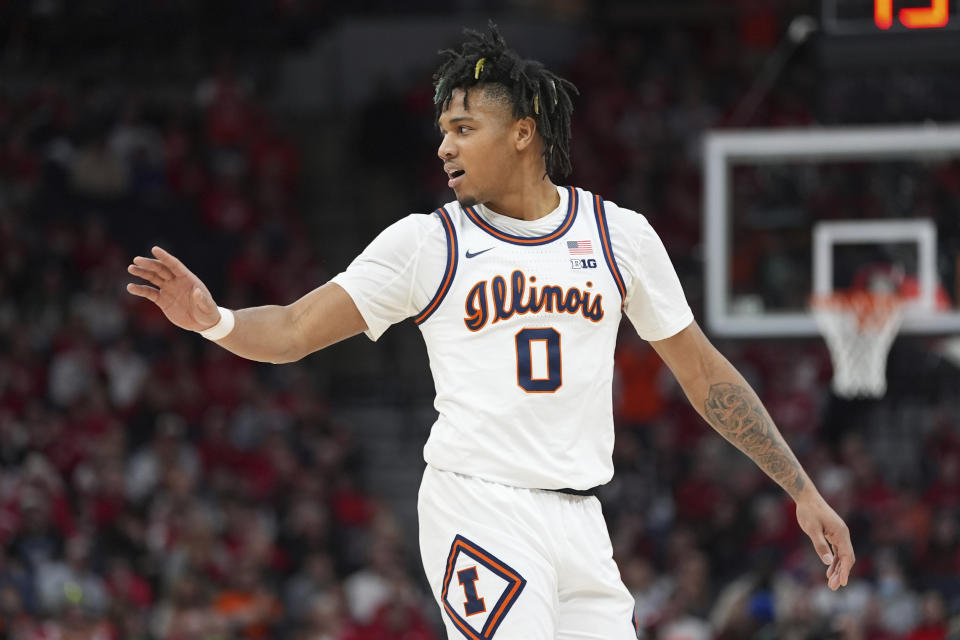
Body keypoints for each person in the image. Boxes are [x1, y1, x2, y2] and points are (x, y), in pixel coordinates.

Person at [127, 24, 854, 640]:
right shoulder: (426, 243)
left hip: (581, 519)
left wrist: (800, 488)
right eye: (442, 131)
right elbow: (291, 329)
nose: (444, 147)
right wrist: (214, 320)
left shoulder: (617, 236)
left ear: (523, 134)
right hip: (479, 507)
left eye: (464, 129)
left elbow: (702, 372)